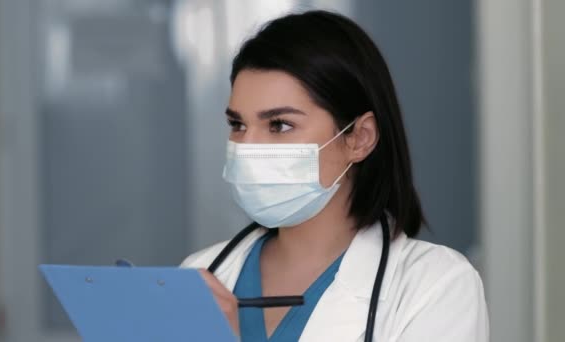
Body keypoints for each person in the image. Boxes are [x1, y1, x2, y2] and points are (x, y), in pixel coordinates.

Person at [181, 10, 489, 342]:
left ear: (359, 138)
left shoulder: (434, 287)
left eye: (279, 125)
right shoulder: (199, 274)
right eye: (238, 125)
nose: (247, 147)